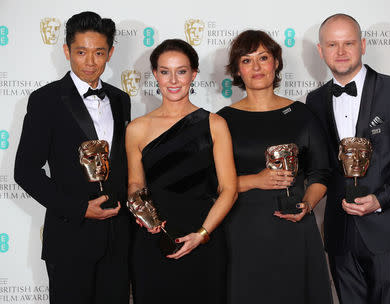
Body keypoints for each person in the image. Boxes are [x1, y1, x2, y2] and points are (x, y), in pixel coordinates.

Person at [306, 13, 390, 304]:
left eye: (348, 43)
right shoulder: (314, 100)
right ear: (320, 50)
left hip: (388, 227)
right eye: (332, 44)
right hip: (340, 232)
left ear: (362, 45)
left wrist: (380, 199)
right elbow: (321, 164)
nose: (340, 52)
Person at [14, 11, 130, 304]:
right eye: (81, 52)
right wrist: (79, 208)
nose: (90, 61)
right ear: (66, 51)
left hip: (117, 240)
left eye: (99, 52)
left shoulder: (120, 99)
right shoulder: (46, 99)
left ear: (110, 53)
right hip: (70, 237)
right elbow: (25, 171)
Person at [218, 30, 333, 304]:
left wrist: (307, 204)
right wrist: (254, 180)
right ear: (237, 69)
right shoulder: (222, 120)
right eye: (246, 60)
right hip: (241, 230)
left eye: (263, 57)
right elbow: (210, 181)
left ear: (276, 63)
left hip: (294, 230)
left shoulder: (302, 114)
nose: (256, 67)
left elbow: (321, 172)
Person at [126, 39, 237, 304]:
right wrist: (142, 214)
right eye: (165, 71)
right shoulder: (137, 128)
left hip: (205, 238)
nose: (173, 80)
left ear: (194, 73)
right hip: (154, 240)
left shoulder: (215, 124)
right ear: (155, 75)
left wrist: (202, 234)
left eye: (182, 71)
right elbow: (134, 183)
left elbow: (229, 189)